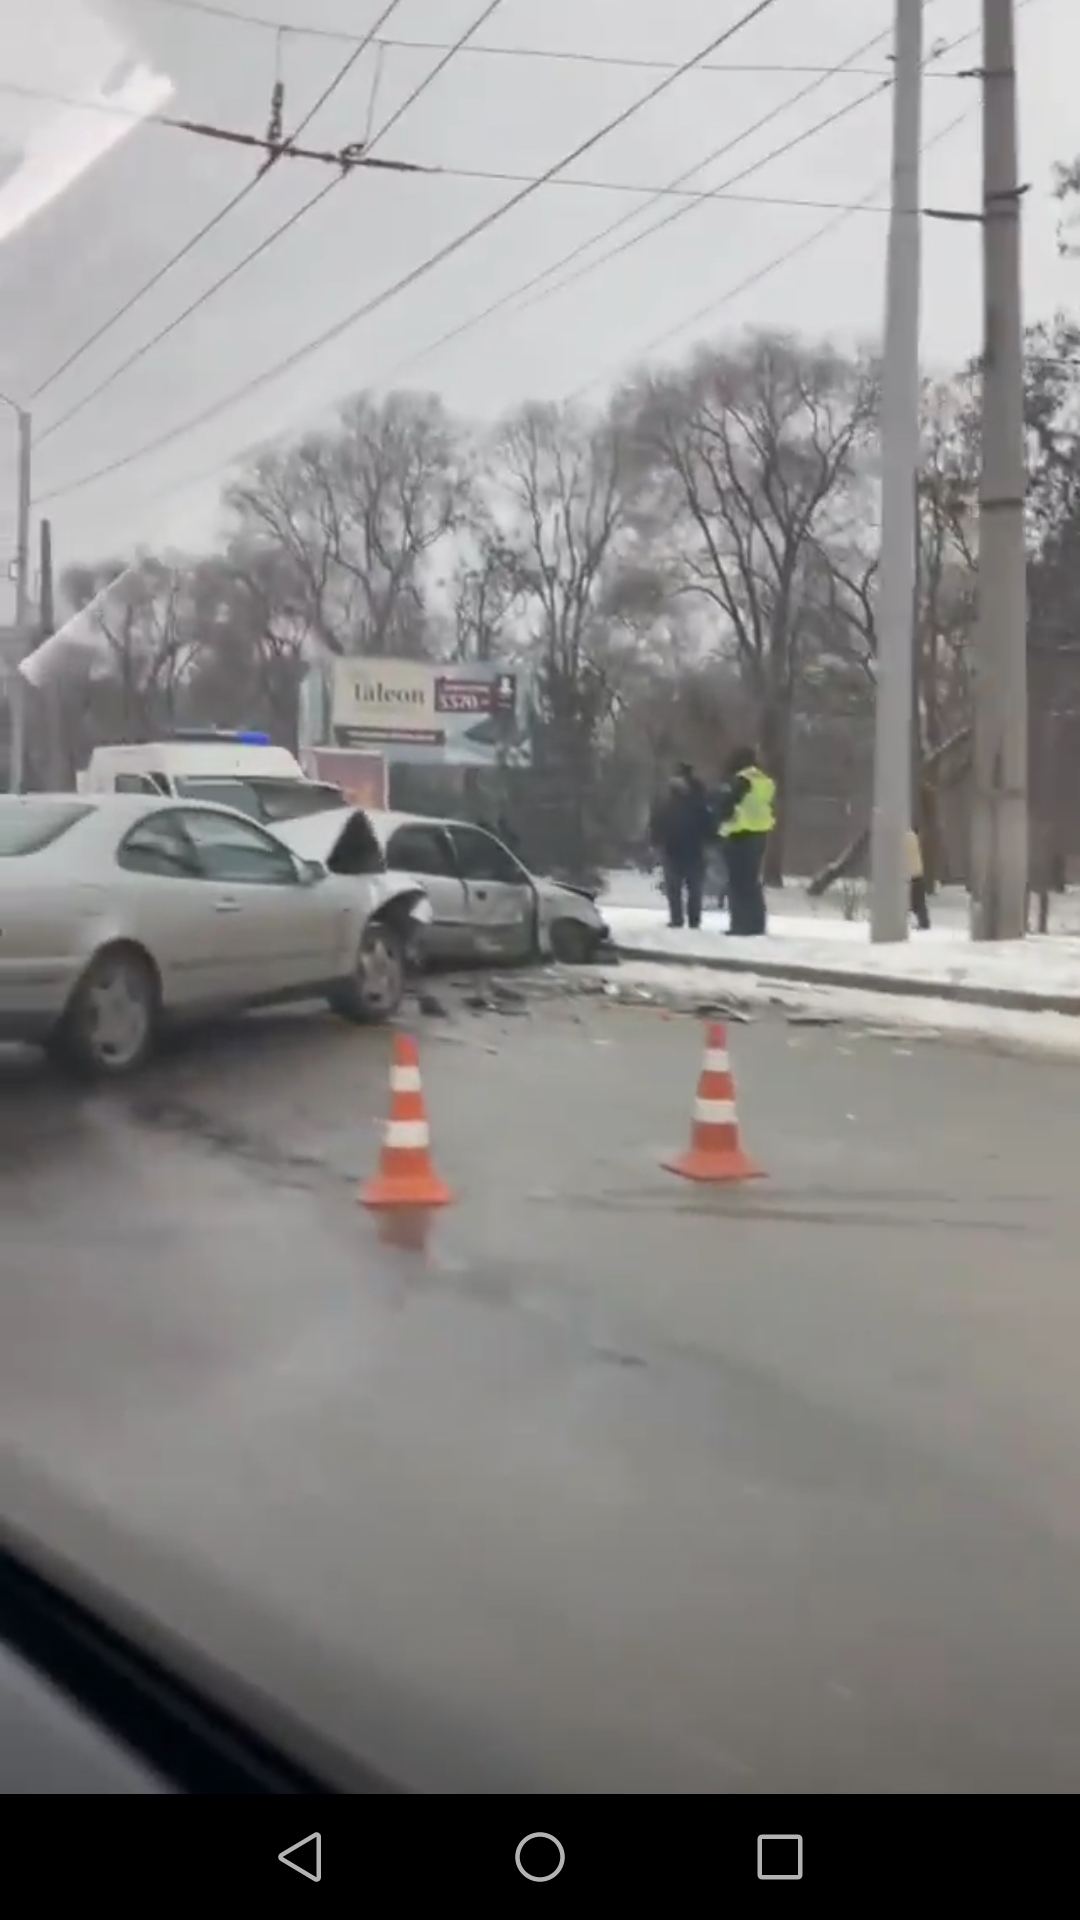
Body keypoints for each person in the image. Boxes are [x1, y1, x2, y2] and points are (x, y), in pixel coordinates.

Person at [714, 745, 776, 936]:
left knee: (737, 883)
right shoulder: (764, 781)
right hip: (759, 835)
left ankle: (739, 924)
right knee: (751, 882)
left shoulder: (741, 780)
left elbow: (727, 804)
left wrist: (719, 816)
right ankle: (756, 924)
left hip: (739, 834)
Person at [649, 764, 711, 930]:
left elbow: (658, 822)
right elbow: (708, 824)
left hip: (675, 848)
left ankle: (678, 919)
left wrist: (656, 841)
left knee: (675, 888)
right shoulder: (699, 801)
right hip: (693, 849)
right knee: (693, 889)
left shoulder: (669, 801)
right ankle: (693, 920)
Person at [907, 826, 930, 930]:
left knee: (915, 901)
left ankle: (923, 923)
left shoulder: (905, 837)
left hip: (912, 873)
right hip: (918, 871)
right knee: (919, 900)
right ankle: (924, 922)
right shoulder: (914, 837)